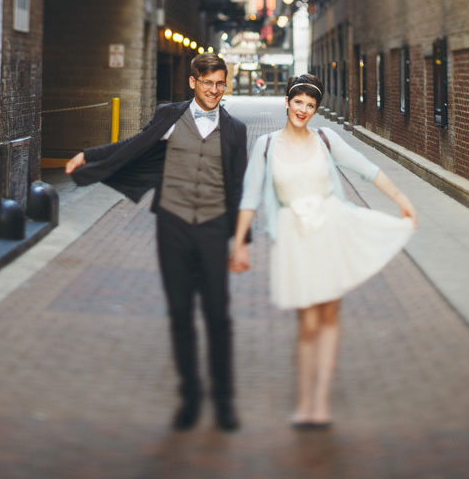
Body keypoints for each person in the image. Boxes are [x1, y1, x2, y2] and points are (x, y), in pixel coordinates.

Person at [65, 53, 247, 432]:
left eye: (220, 83)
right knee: (180, 312)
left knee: (217, 315)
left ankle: (224, 401)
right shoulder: (169, 116)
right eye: (208, 82)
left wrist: (241, 239)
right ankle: (191, 397)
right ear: (193, 82)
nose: (214, 90)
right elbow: (134, 145)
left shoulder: (235, 131)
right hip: (173, 224)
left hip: (214, 226)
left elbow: (239, 187)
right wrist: (89, 155)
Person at [230, 72, 417, 429]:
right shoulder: (266, 146)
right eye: (297, 102)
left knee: (329, 316)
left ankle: (320, 402)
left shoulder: (326, 140)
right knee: (308, 324)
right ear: (286, 102)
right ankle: (303, 402)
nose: (302, 109)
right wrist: (238, 243)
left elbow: (367, 170)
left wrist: (402, 200)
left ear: (316, 110)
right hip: (295, 238)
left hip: (331, 229)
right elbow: (250, 197)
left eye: (310, 105)